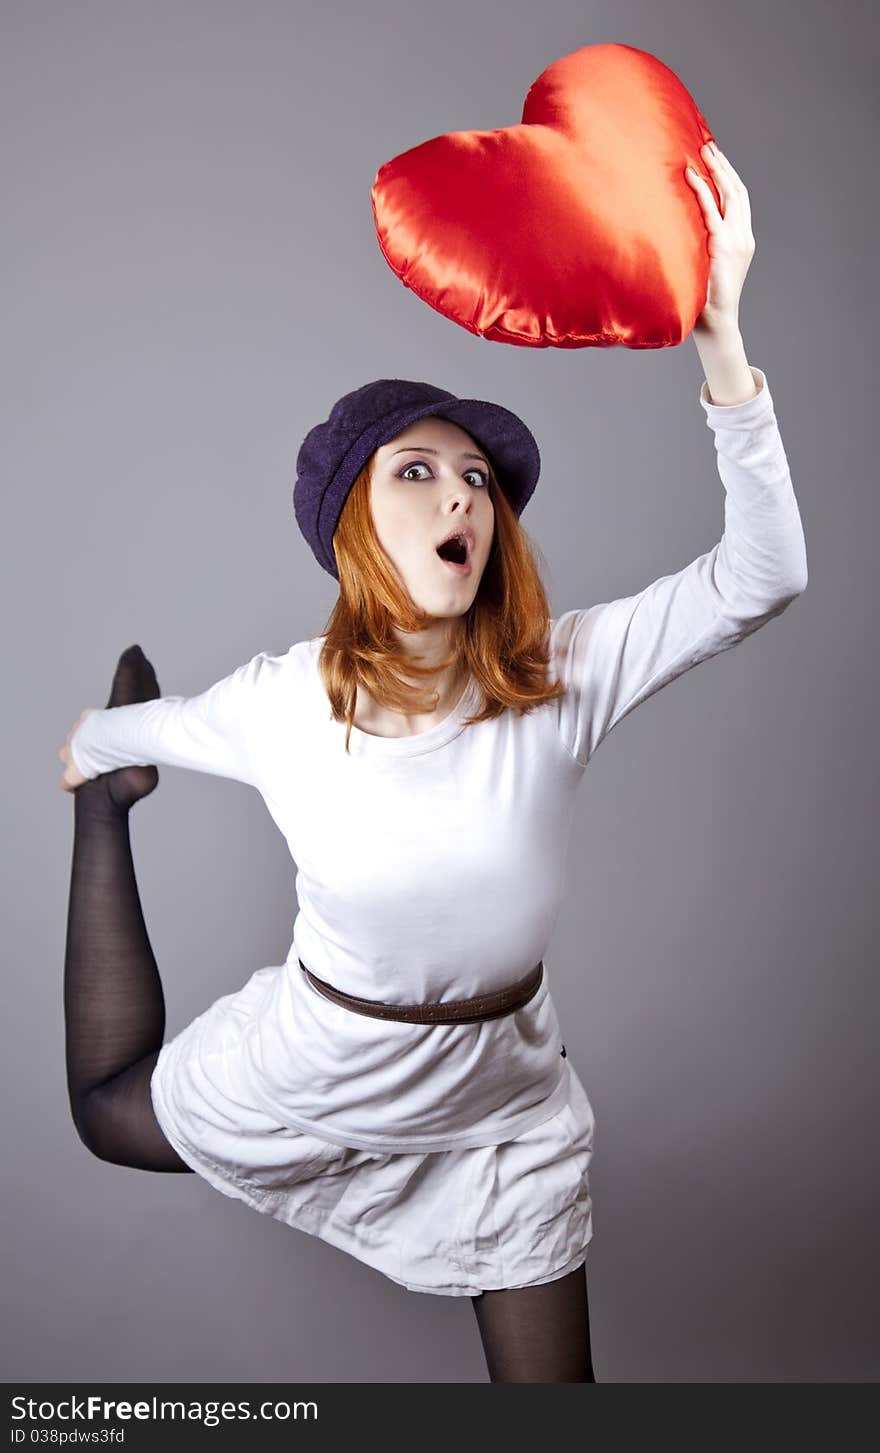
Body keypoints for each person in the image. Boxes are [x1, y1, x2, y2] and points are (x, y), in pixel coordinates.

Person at [57, 142, 807, 1382]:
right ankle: (104, 831)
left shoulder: (560, 674)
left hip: (501, 1101)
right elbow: (126, 731)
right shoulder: (279, 700)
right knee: (105, 1119)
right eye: (417, 473)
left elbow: (763, 576)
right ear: (353, 526)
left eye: (477, 481)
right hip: (318, 1063)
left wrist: (721, 340)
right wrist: (95, 751)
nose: (462, 496)